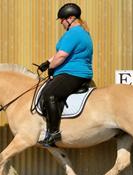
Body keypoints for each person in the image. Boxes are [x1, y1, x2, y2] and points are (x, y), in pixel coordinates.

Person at [38, 3, 93, 147]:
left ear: (70, 18)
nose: (61, 23)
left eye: (62, 20)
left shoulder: (74, 33)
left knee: (49, 94)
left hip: (73, 73)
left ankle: (53, 132)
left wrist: (51, 68)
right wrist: (47, 62)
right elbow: (60, 54)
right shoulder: (82, 32)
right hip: (76, 72)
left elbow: (62, 56)